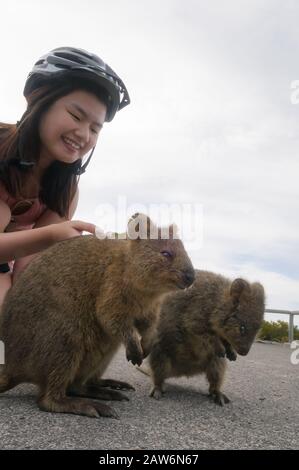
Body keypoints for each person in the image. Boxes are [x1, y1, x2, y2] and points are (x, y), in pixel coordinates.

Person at [0, 46, 130, 309]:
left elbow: (27, 270)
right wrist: (51, 235)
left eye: (95, 129)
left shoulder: (65, 190)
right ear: (40, 102)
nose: (84, 134)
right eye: (75, 116)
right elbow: (47, 237)